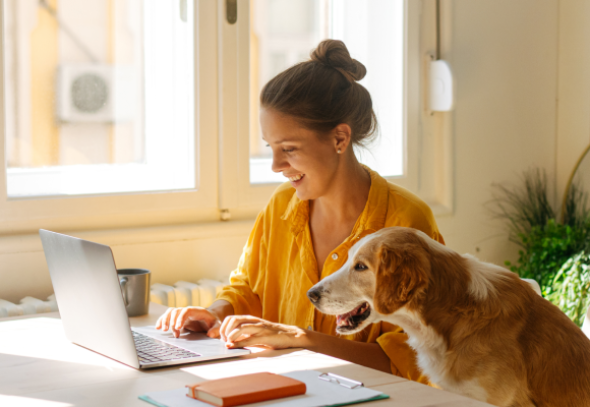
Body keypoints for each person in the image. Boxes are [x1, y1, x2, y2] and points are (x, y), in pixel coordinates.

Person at [156, 39, 444, 381]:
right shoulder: (281, 205)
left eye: (289, 148)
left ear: (340, 138)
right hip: (283, 390)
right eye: (271, 148)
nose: (276, 165)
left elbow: (413, 360)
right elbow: (248, 289)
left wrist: (305, 342)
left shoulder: (406, 222)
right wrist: (213, 313)